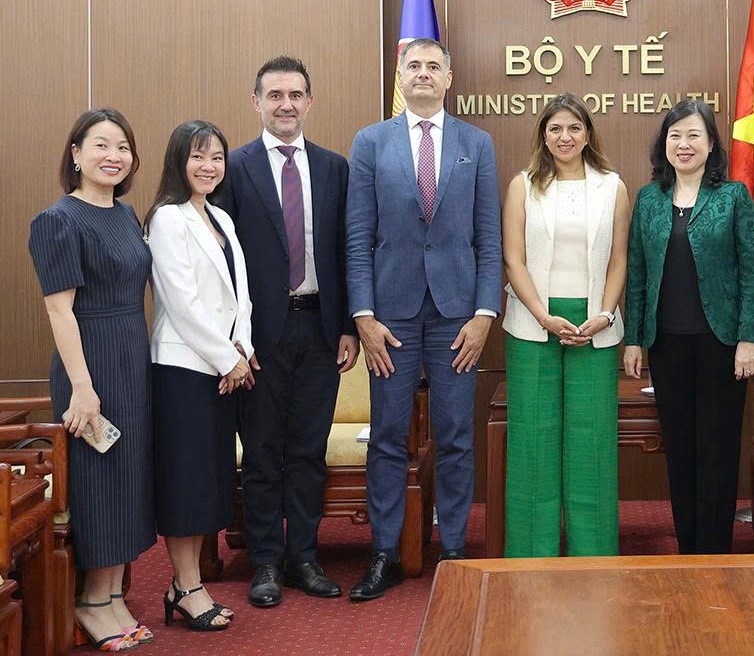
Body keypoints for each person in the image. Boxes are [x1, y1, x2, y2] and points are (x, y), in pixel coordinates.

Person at [346, 37, 502, 599]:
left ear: (449, 78)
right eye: (413, 65)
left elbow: (488, 237)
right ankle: (385, 552)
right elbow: (357, 235)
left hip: (457, 316)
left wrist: (484, 313)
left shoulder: (476, 143)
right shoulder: (371, 142)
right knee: (388, 434)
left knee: (456, 434)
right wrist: (363, 315)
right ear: (401, 76)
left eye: (434, 66)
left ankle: (454, 549)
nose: (423, 74)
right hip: (390, 319)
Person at [218, 56, 358, 608]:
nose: (286, 105)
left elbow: (347, 251)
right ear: (256, 102)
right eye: (275, 95)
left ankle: (302, 556)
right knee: (260, 450)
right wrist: (232, 337)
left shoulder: (334, 167)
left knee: (307, 450)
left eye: (295, 95)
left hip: (321, 328)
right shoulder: (234, 167)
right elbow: (221, 260)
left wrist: (347, 325)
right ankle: (265, 561)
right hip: (258, 336)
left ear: (309, 101)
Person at [28, 108, 155, 651]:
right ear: (76, 154)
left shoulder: (126, 214)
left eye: (122, 146)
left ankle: (113, 594)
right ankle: (92, 600)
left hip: (132, 357)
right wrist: (82, 387)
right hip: (90, 364)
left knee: (129, 478)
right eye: (101, 145)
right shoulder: (58, 220)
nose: (113, 156)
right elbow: (59, 311)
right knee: (99, 480)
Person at [623, 100, 754, 555]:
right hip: (666, 345)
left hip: (721, 344)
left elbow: (753, 270)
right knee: (680, 450)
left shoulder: (733, 196)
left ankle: (715, 552)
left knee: (717, 450)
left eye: (693, 136)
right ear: (664, 144)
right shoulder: (649, 199)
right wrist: (634, 339)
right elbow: (638, 272)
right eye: (675, 136)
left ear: (710, 144)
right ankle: (689, 550)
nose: (683, 145)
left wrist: (749, 337)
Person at [501, 93, 630, 557]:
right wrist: (543, 315)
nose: (565, 137)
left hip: (595, 325)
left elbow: (619, 260)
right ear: (543, 135)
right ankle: (529, 556)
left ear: (588, 134)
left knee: (590, 443)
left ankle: (593, 554)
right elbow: (513, 259)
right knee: (532, 440)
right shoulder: (523, 185)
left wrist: (606, 314)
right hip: (533, 324)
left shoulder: (613, 186)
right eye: (555, 128)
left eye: (574, 127)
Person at [145, 120, 251, 632]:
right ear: (178, 161)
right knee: (185, 483)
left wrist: (242, 349)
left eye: (216, 158)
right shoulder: (167, 218)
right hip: (183, 370)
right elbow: (181, 302)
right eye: (198, 157)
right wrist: (227, 359)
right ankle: (187, 587)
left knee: (208, 480)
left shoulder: (221, 217)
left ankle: (183, 587)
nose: (208, 167)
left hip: (223, 368)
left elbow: (241, 296)